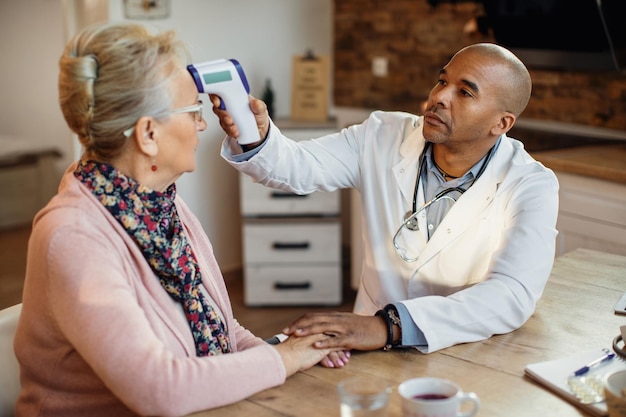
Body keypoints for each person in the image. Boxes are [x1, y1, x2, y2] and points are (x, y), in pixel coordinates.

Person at [13, 23, 338, 417]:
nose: (203, 124)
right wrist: (286, 358)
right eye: (193, 111)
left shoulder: (158, 204)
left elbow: (221, 330)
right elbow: (160, 390)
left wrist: (289, 349)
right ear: (149, 134)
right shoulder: (73, 237)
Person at [212, 43, 559, 366]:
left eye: (464, 92)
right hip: (366, 349)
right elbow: (299, 166)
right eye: (442, 81)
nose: (438, 97)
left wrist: (388, 326)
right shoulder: (381, 135)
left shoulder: (530, 184)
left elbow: (512, 293)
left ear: (502, 123)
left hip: (462, 349)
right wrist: (256, 135)